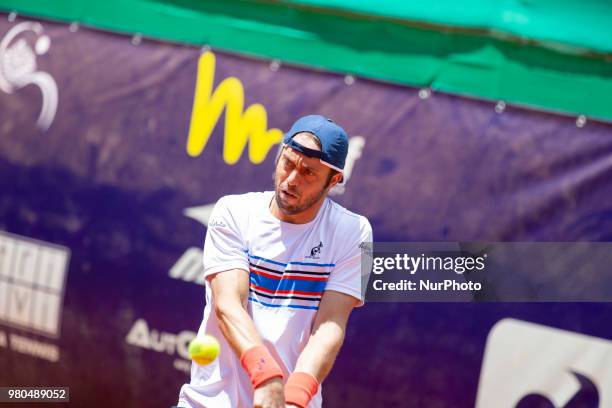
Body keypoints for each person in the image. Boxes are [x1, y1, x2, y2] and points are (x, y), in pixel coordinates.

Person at [177, 114, 373, 408]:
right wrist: (266, 377)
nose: (291, 180)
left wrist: (295, 397)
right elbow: (228, 305)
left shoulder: (357, 232)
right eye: (288, 163)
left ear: (333, 181)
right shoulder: (231, 212)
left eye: (308, 173)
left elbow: (330, 326)